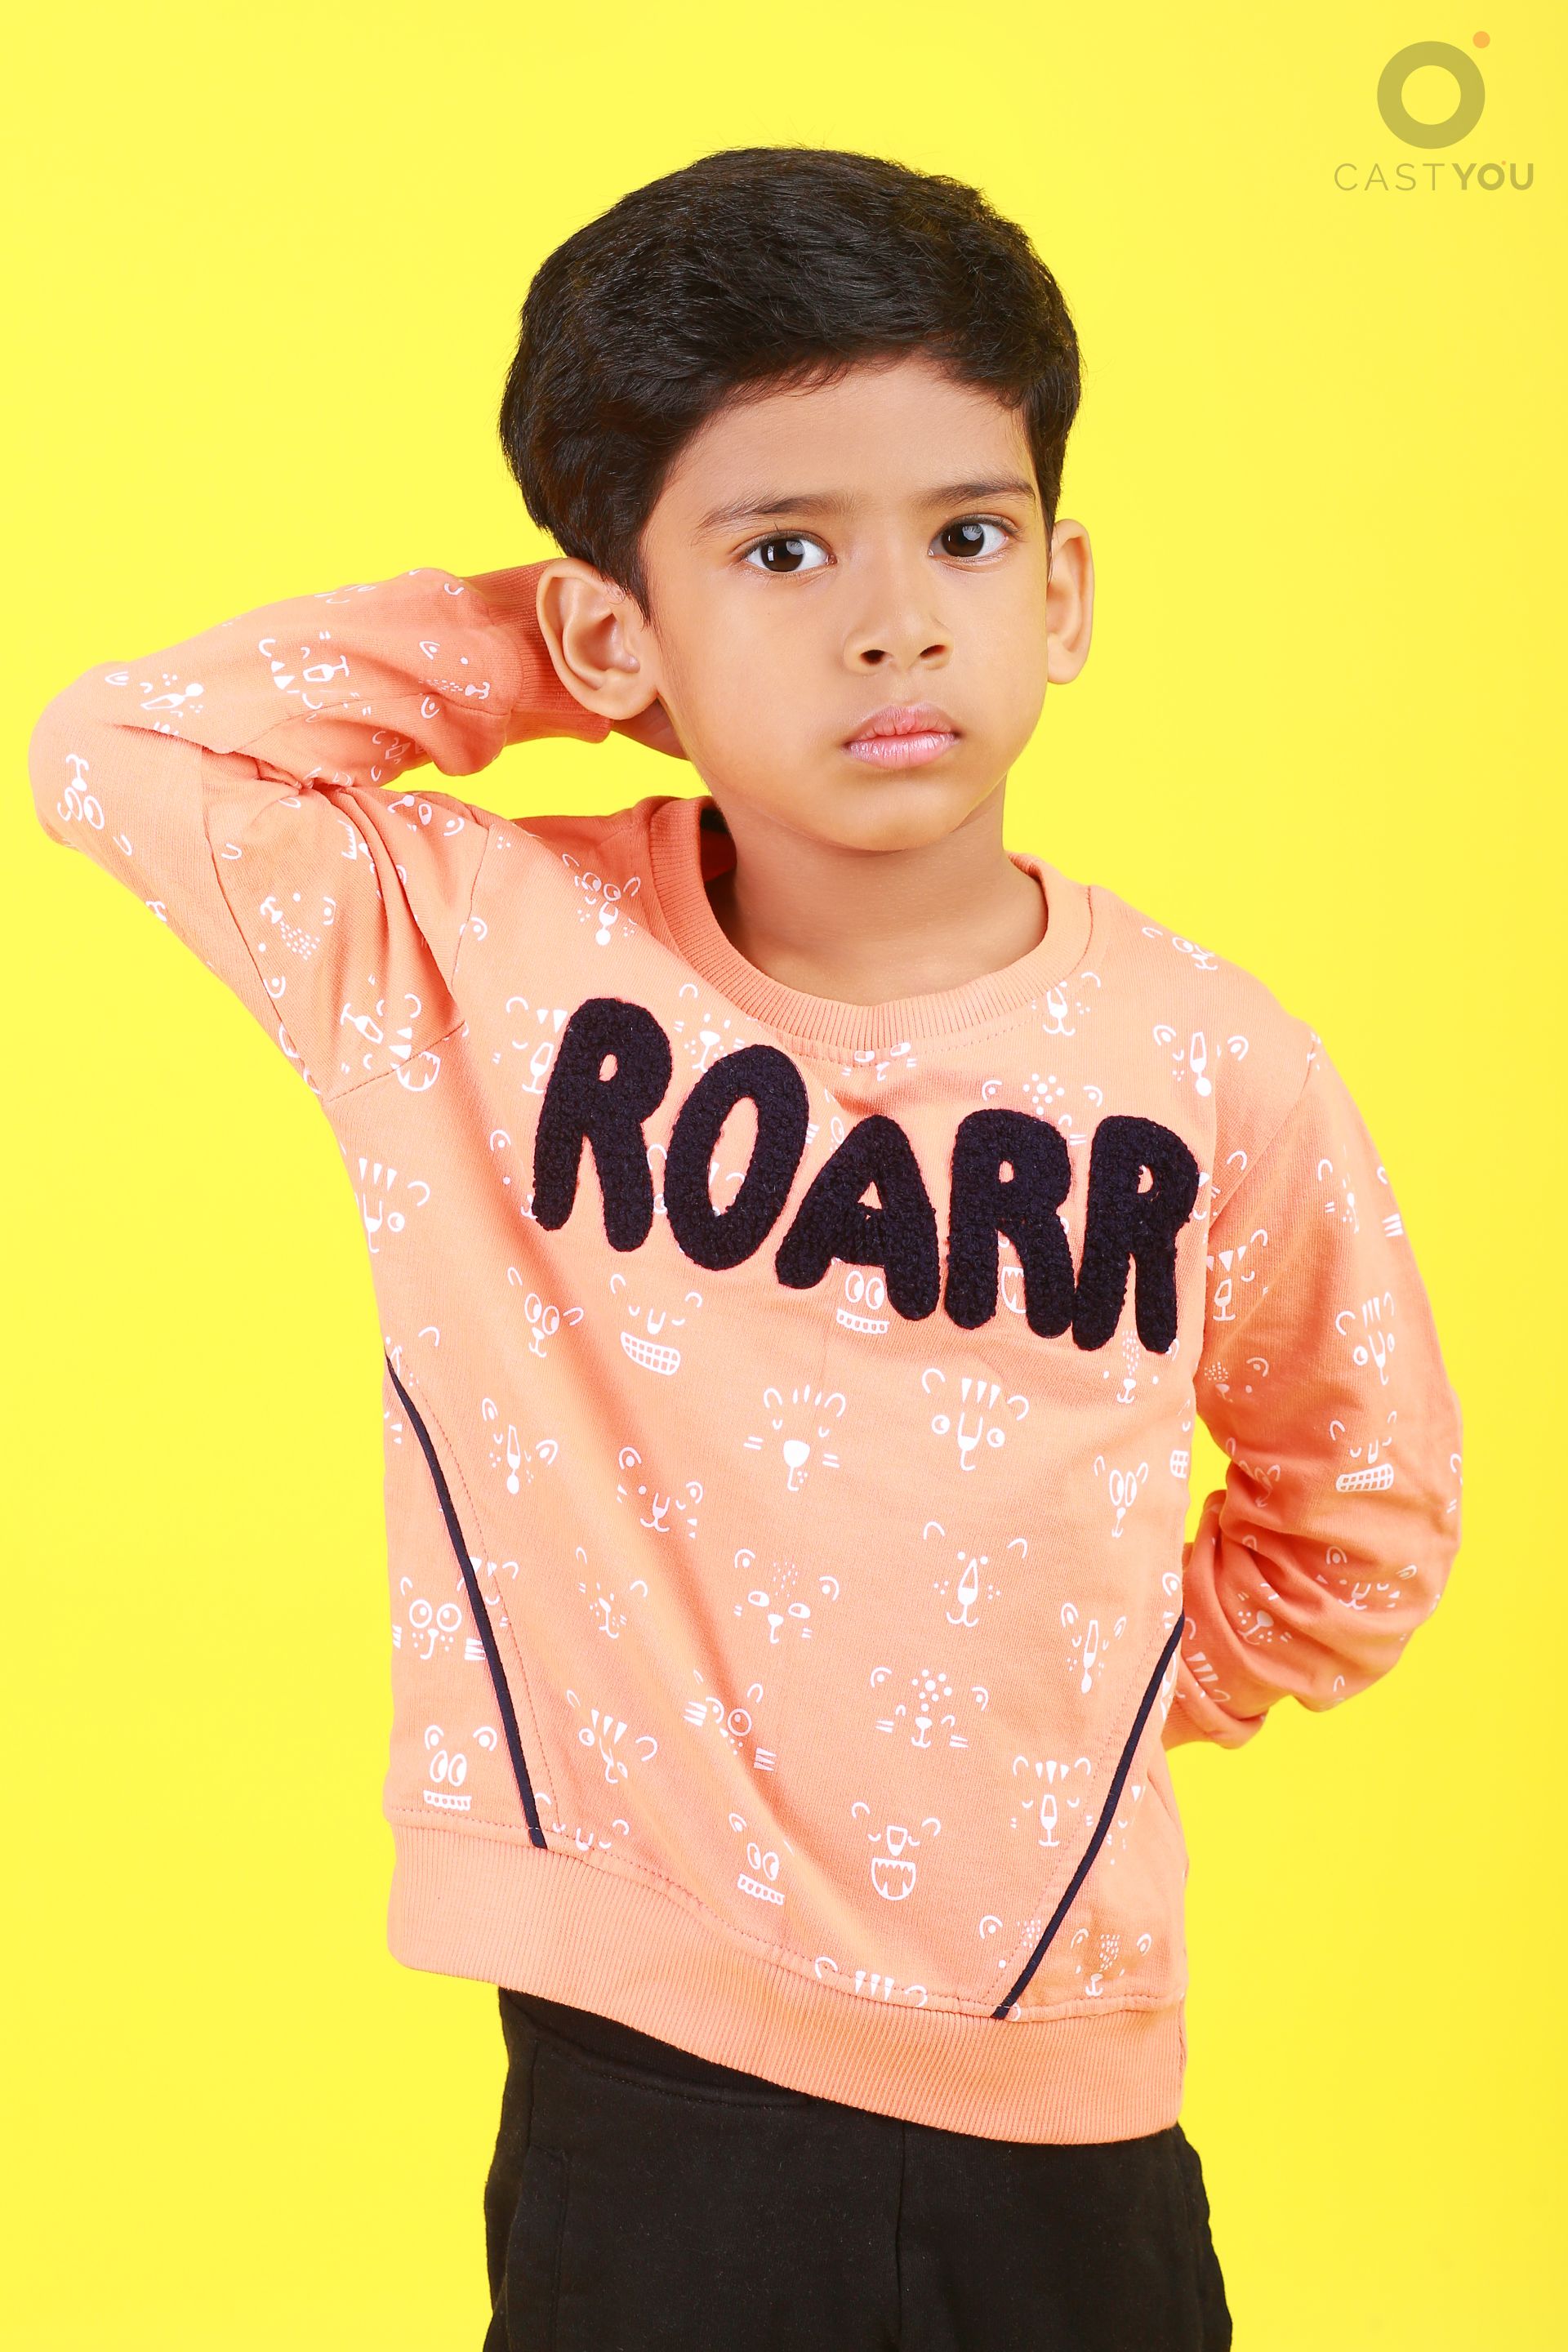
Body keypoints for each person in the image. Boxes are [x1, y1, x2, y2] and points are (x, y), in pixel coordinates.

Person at [27, 145, 1463, 2351]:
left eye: (965, 536)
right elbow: (121, 751)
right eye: (784, 549)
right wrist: (579, 652)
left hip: (1061, 2064)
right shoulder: (467, 963)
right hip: (650, 2064)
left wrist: (1093, 1691)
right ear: (617, 631)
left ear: (1065, 591)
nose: (896, 621)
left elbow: (1362, 1516)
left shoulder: (1213, 1067)